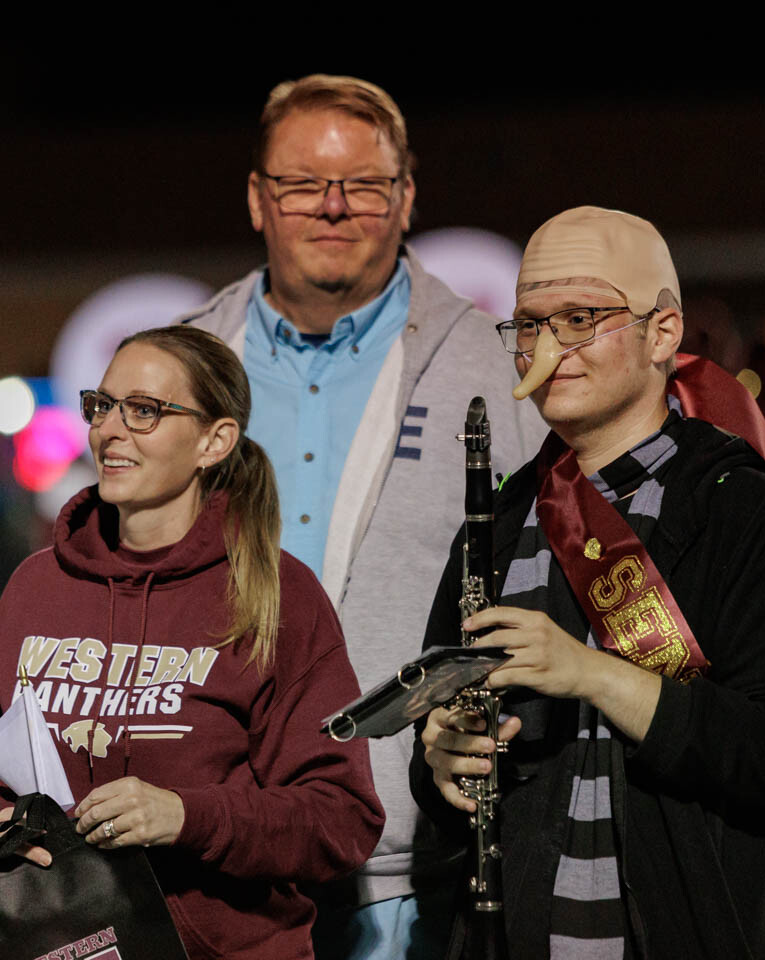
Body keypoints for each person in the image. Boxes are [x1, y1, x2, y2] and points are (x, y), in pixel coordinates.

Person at [413, 206, 765, 958]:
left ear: (662, 333)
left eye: (580, 318)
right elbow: (447, 762)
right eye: (530, 325)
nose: (546, 348)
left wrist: (593, 674)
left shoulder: (744, 512)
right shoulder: (497, 522)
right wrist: (441, 760)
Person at [181, 73, 547, 956]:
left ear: (408, 197)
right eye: (302, 183)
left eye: (366, 184)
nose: (334, 205)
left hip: (410, 872)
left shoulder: (499, 371)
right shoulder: (181, 366)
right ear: (257, 198)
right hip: (207, 859)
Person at [0, 325, 384, 960]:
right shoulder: (36, 585)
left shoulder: (279, 594)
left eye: (144, 410)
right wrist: (2, 825)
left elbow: (340, 817)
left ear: (215, 441)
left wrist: (185, 817)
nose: (110, 430)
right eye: (103, 405)